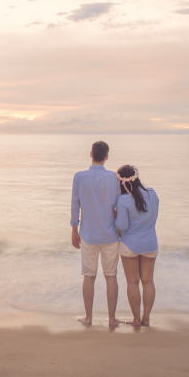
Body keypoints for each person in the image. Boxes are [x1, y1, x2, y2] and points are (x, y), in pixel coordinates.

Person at [70, 140, 121, 327]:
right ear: (106, 157)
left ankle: (89, 317)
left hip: (89, 234)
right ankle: (112, 319)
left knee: (89, 276)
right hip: (110, 234)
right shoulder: (114, 178)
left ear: (90, 154)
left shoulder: (79, 177)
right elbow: (120, 206)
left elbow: (75, 205)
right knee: (111, 276)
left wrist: (74, 229)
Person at [114, 164, 159, 327]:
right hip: (150, 243)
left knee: (132, 282)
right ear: (137, 177)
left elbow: (123, 227)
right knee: (148, 281)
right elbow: (154, 217)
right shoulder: (152, 194)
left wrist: (114, 217)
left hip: (130, 245)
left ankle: (136, 319)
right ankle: (146, 318)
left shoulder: (123, 200)